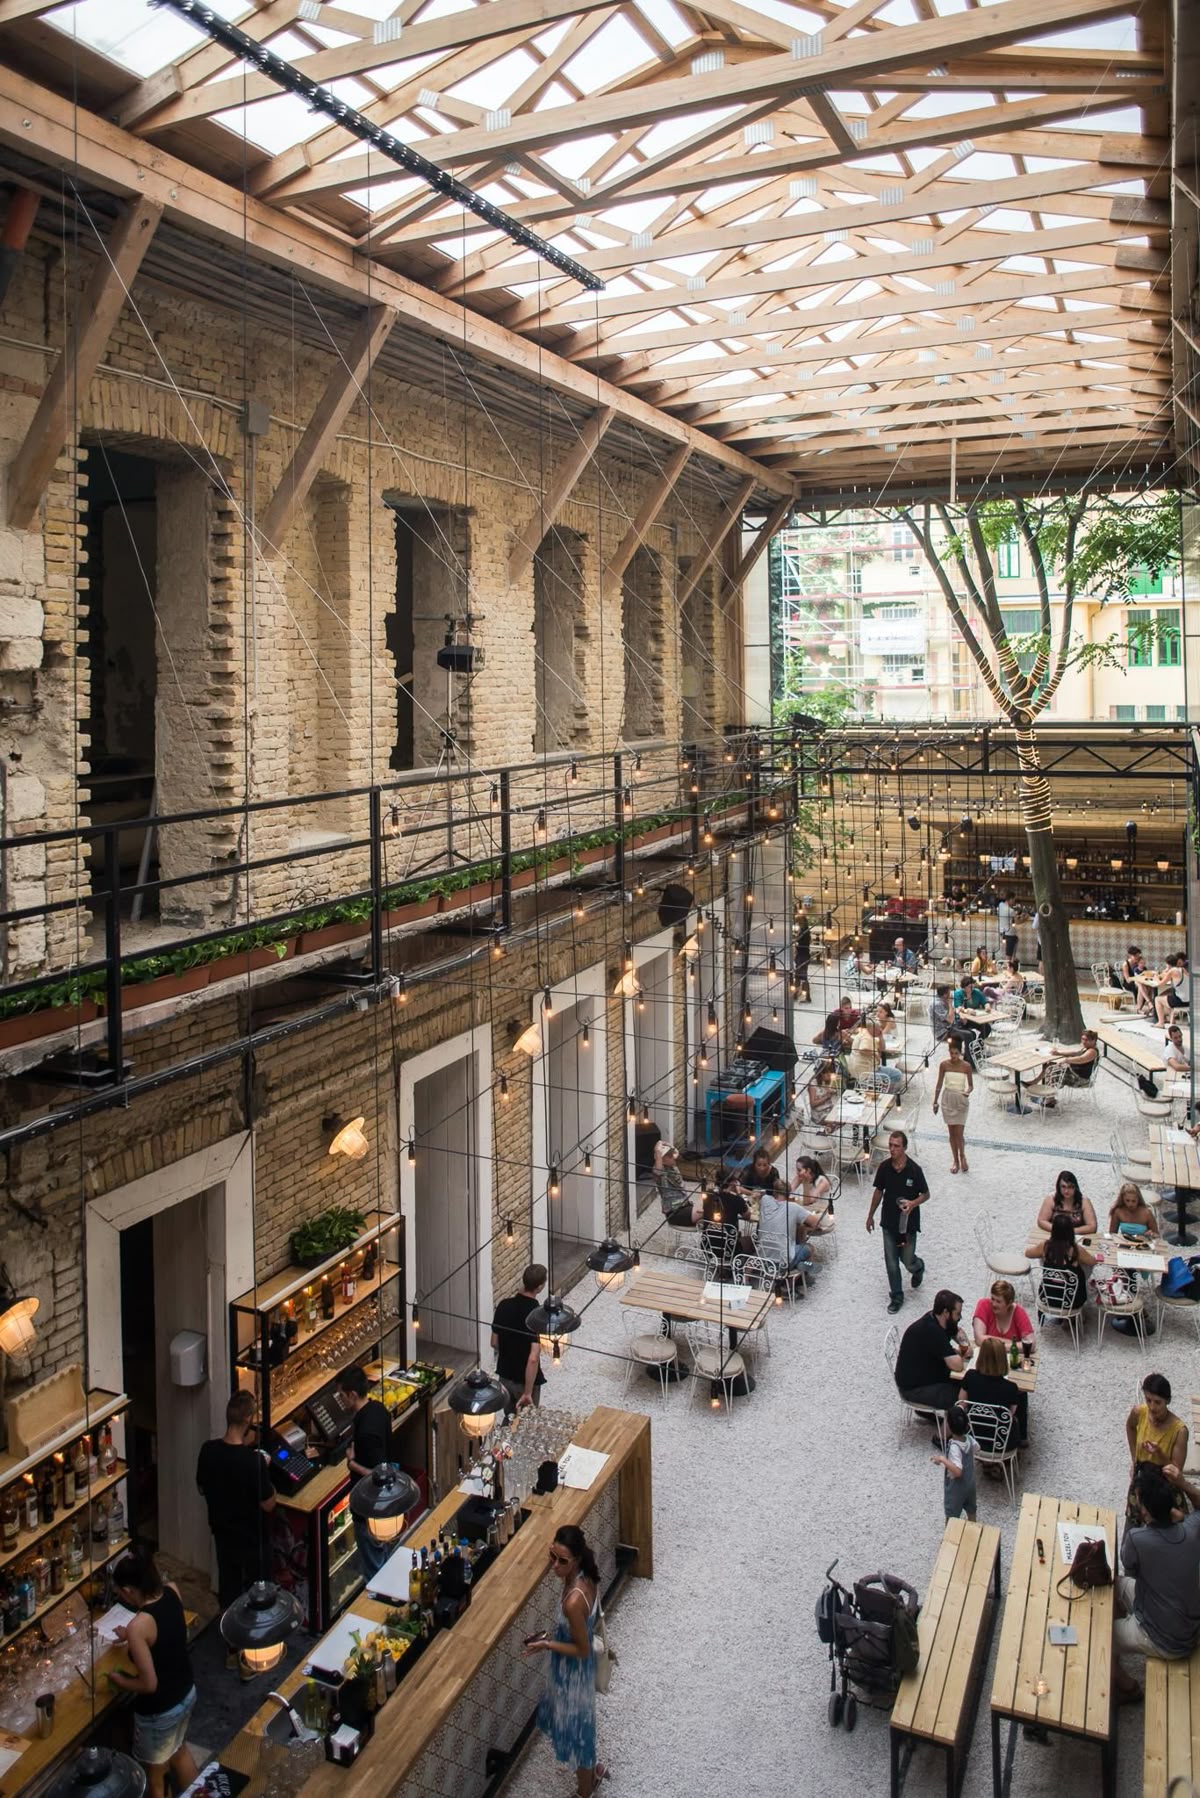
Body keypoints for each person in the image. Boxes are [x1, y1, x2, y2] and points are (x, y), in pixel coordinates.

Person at [109, 1548, 198, 1798]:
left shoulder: (139, 1626)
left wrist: (121, 1680)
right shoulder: (172, 1590)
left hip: (161, 1711)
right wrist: (132, 1636)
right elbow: (170, 1633)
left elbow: (149, 1684)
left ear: (128, 1590)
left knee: (157, 1776)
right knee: (179, 1751)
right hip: (186, 1691)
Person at [524, 1524, 605, 1795]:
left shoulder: (572, 1602)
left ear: (576, 1560)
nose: (554, 1565)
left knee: (578, 1734)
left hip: (574, 1671)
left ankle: (585, 1791)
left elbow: (582, 1649)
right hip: (576, 1665)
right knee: (582, 1726)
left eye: (562, 1561)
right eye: (552, 1556)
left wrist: (547, 1644)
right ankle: (593, 1773)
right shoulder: (585, 1576)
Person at [1114, 1463, 1200, 1698]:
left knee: (1100, 1635)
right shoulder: (1192, 1529)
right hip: (1187, 1626)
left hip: (1166, 1640)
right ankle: (1127, 1620)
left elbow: (1131, 1567)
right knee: (1115, 1585)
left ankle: (1128, 1688)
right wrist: (1184, 1483)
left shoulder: (1138, 1539)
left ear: (1145, 1511)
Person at [195, 1391, 275, 1616]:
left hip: (224, 1535)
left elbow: (201, 1487)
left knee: (228, 1589)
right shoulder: (254, 1462)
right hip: (252, 1539)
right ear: (248, 1419)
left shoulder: (208, 1450)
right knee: (258, 1593)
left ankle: (229, 1631)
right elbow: (268, 1504)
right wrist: (266, 1473)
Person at [335, 1364, 393, 1578]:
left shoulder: (366, 1432)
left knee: (374, 1567)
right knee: (383, 1552)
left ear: (352, 1394)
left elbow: (377, 1474)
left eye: (342, 1395)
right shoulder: (378, 1409)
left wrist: (352, 1463)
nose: (340, 1400)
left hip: (370, 1507)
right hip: (383, 1505)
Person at [866, 1130, 930, 1314]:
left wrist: (913, 1203)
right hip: (889, 1222)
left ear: (904, 1148)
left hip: (908, 1224)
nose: (892, 1149)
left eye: (896, 1146)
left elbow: (926, 1194)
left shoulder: (914, 1170)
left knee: (907, 1260)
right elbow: (878, 1191)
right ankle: (896, 1296)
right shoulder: (885, 1168)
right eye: (890, 1145)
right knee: (891, 1262)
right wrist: (870, 1215)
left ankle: (918, 1267)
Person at [1125, 1373, 1190, 1527]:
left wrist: (1159, 1454)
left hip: (1164, 1488)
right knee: (1133, 1529)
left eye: (1158, 1402)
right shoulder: (1139, 1413)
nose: (1152, 1407)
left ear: (1167, 1401)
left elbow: (1176, 1472)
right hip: (1142, 1480)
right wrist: (1135, 1458)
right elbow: (1130, 1427)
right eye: (1148, 1400)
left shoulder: (1179, 1431)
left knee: (1165, 1531)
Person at [893, 1289, 969, 1414]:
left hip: (926, 1376)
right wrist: (959, 1353)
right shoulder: (932, 1331)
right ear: (946, 1312)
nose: (960, 1317)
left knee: (965, 1383)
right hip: (914, 1388)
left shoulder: (936, 1318)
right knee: (963, 1394)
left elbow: (958, 1332)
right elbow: (957, 1366)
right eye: (958, 1314)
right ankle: (954, 1422)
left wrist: (965, 1345)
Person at [492, 1264, 548, 1412]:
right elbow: (533, 1358)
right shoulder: (536, 1316)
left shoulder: (503, 1305)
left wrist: (510, 1352)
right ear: (540, 1287)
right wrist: (528, 1392)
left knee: (509, 1417)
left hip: (505, 1376)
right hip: (525, 1381)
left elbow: (494, 1342)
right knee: (526, 1420)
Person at [962, 1335, 1024, 1452]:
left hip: (973, 1437)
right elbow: (1010, 1415)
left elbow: (961, 1403)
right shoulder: (1011, 1387)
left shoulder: (970, 1376)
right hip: (1001, 1443)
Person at [1028, 1212, 1097, 1314]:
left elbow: (1028, 1253)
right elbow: (1092, 1262)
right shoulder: (1076, 1250)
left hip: (1048, 1297)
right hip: (1073, 1301)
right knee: (1083, 1268)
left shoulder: (1045, 1246)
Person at [756, 1181, 817, 1277]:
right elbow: (815, 1222)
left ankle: (796, 1268)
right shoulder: (794, 1208)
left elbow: (761, 1196)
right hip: (783, 1263)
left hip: (763, 1259)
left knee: (792, 1245)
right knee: (809, 1248)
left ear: (774, 1192)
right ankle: (803, 1278)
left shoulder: (765, 1200)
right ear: (789, 1194)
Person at [932, 1033, 973, 1174]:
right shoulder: (944, 1065)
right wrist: (935, 1101)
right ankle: (955, 1160)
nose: (954, 1056)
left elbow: (971, 1085)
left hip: (961, 1098)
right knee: (951, 1132)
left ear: (960, 1053)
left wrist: (967, 1091)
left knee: (959, 1133)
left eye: (956, 1053)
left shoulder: (966, 1066)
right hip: (948, 1099)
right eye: (951, 1053)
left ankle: (962, 1156)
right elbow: (939, 1084)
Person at [931, 1405, 977, 1523]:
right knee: (971, 1512)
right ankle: (973, 1530)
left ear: (949, 1427)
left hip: (957, 1489)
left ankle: (949, 1534)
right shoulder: (969, 1439)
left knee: (951, 1517)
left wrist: (942, 1459)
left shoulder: (954, 1447)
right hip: (970, 1483)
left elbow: (957, 1472)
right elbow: (977, 1448)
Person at [972, 1279, 1034, 1352]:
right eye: (992, 1299)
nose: (994, 1304)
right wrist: (1012, 1343)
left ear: (1009, 1303)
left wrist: (998, 1345)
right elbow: (979, 1339)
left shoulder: (1019, 1312)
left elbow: (1031, 1345)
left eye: (998, 1301)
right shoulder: (983, 1305)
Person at [652, 1143, 701, 1229]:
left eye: (671, 1154)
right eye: (669, 1155)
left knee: (708, 1204)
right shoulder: (660, 1174)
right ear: (662, 1160)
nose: (672, 1156)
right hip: (675, 1213)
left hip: (685, 1206)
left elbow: (675, 1152)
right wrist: (657, 1151)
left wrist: (667, 1144)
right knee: (707, 1212)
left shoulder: (672, 1165)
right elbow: (658, 1169)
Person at [1035, 1169, 1097, 1236]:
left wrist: (1070, 1231)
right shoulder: (1051, 1199)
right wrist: (1058, 1230)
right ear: (1058, 1187)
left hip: (1076, 1236)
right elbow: (1041, 1221)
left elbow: (1092, 1226)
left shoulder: (1084, 1201)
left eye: (1070, 1187)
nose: (1066, 1191)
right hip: (1055, 1235)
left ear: (1075, 1187)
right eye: (1063, 1187)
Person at [847, 1016, 902, 1092]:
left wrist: (880, 1036)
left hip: (867, 1068)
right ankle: (886, 1094)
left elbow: (882, 1048)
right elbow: (862, 1050)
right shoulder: (867, 1037)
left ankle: (882, 1090)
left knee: (893, 1072)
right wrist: (875, 1054)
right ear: (872, 1029)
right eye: (878, 1029)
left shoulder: (866, 1034)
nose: (880, 1030)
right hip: (865, 1072)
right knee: (896, 1074)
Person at [1041, 1028, 1100, 1093]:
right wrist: (1059, 1053)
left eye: (1086, 1040)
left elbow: (1081, 1059)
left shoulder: (1092, 1051)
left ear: (1093, 1041)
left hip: (1080, 1078)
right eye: (1082, 1039)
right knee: (1050, 1065)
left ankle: (1048, 1095)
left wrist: (1066, 1060)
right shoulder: (1087, 1048)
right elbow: (1075, 1053)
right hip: (1074, 1073)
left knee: (1052, 1070)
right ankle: (1043, 1089)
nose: (1083, 1042)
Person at [951, 974, 992, 1044]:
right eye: (970, 987)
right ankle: (970, 1047)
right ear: (964, 987)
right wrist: (966, 1010)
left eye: (973, 986)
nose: (972, 988)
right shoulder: (958, 994)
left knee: (987, 1028)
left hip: (975, 1019)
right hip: (961, 1019)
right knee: (970, 1034)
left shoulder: (977, 992)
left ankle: (978, 1045)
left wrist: (987, 1006)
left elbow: (985, 1001)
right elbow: (958, 1007)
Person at [1154, 953, 1189, 1027]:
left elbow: (1160, 984)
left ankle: (1161, 1023)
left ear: (1168, 964)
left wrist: (1156, 978)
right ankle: (1172, 1020)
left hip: (1180, 1001)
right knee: (1168, 997)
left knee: (1157, 999)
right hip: (1189, 1001)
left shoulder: (1172, 971)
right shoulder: (1182, 969)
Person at [806, 1060, 839, 1130]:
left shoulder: (824, 1081)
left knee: (844, 1117)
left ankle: (829, 1130)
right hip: (819, 1114)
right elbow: (813, 1103)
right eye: (828, 1075)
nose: (829, 1077)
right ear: (821, 1074)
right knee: (837, 1121)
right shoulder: (813, 1085)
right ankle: (827, 1131)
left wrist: (833, 1091)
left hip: (829, 1109)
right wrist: (826, 1097)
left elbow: (829, 1091)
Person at [929, 985, 953, 1050]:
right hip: (941, 1033)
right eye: (949, 993)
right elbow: (950, 1020)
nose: (950, 995)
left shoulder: (942, 999)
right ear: (944, 994)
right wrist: (950, 1004)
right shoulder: (937, 1004)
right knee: (966, 1035)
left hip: (947, 1026)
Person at [997, 894, 1017, 961]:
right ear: (1010, 899)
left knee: (1006, 953)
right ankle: (1008, 965)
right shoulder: (1011, 911)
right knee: (1009, 955)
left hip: (1002, 932)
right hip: (1010, 934)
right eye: (1013, 900)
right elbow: (1017, 921)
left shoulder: (1000, 905)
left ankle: (1006, 964)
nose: (1014, 902)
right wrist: (1025, 917)